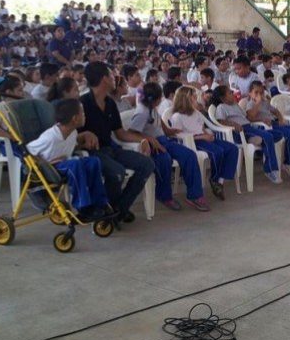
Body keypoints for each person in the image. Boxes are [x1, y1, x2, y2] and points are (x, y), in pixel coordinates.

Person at [79, 61, 155, 222]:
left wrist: (143, 139)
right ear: (104, 79)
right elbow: (71, 137)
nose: (115, 77)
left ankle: (118, 208)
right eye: (111, 74)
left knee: (147, 164)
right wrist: (84, 136)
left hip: (110, 148)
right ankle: (105, 209)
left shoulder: (110, 103)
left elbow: (120, 134)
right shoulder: (82, 103)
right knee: (117, 172)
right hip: (91, 152)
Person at [27, 98, 113, 221]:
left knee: (94, 161)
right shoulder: (50, 137)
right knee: (75, 165)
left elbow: (68, 147)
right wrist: (45, 163)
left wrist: (82, 145)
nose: (85, 115)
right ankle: (83, 206)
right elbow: (29, 151)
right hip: (50, 168)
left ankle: (100, 202)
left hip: (66, 163)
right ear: (75, 119)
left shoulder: (72, 133)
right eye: (82, 113)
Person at [129, 83, 210, 211]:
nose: (161, 99)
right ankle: (164, 196)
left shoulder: (151, 107)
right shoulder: (141, 112)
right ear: (154, 99)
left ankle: (194, 195)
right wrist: (149, 139)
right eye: (160, 97)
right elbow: (132, 133)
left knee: (189, 155)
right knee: (164, 159)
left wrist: (168, 131)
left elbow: (158, 122)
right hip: (151, 145)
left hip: (164, 140)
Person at [171, 86, 239, 200]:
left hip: (203, 137)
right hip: (192, 142)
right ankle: (214, 179)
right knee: (217, 152)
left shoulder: (195, 113)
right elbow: (178, 135)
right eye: (193, 97)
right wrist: (203, 136)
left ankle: (220, 181)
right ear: (185, 99)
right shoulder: (177, 116)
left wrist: (207, 134)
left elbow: (200, 127)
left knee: (232, 148)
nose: (196, 99)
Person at [213, 85, 283, 184]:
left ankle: (254, 139)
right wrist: (234, 124)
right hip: (240, 131)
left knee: (278, 134)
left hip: (249, 127)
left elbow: (248, 118)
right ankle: (270, 170)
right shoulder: (221, 107)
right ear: (222, 98)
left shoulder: (235, 105)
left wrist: (261, 119)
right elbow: (221, 121)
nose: (232, 93)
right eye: (230, 93)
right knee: (268, 137)